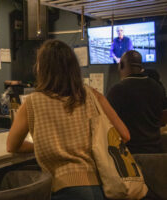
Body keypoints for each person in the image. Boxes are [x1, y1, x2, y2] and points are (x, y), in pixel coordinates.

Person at [7, 39, 130, 200]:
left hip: (63, 189)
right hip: (101, 188)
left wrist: (46, 144)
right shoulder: (92, 95)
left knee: (8, 180)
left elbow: (12, 146)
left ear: (41, 69)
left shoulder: (32, 102)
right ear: (73, 68)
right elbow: (125, 135)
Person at [107, 50, 165, 154]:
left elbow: (108, 124)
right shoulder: (157, 87)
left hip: (129, 154)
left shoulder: (117, 90)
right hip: (156, 152)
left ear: (121, 65)